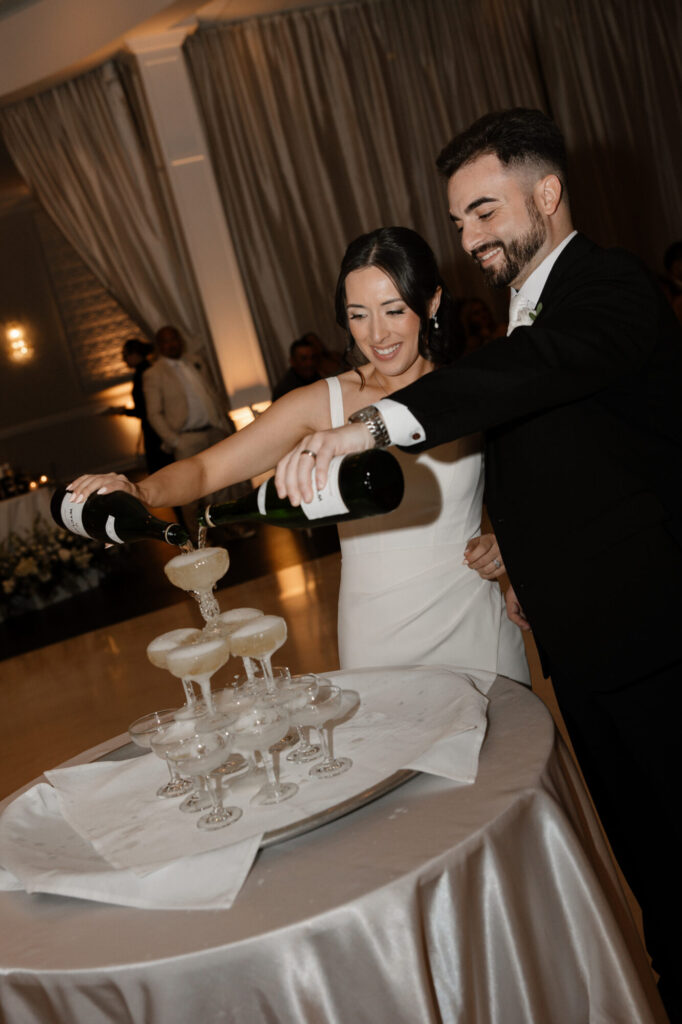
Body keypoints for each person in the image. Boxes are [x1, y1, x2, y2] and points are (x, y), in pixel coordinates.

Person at [275, 109, 682, 1021]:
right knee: (654, 878)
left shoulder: (609, 285)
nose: (467, 239)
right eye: (458, 221)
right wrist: (514, 545)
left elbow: (531, 373)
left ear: (547, 194)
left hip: (660, 644)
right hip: (590, 653)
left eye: (484, 212)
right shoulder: (523, 315)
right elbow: (573, 459)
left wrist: (370, 422)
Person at [67, 227, 529, 690]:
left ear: (431, 303)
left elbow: (534, 489)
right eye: (358, 315)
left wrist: (508, 544)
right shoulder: (320, 403)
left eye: (393, 310)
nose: (378, 334)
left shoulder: (470, 388)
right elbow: (206, 468)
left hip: (476, 623)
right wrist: (140, 490)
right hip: (377, 632)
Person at [143, 324, 251, 539]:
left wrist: (224, 424)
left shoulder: (195, 361)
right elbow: (154, 413)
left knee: (222, 485)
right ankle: (196, 538)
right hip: (186, 438)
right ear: (159, 345)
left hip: (213, 431)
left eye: (175, 338)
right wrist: (174, 441)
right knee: (189, 491)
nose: (172, 344)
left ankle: (231, 526)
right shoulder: (154, 373)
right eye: (166, 340)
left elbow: (213, 393)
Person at [106, 337, 172, 474]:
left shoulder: (145, 374)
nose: (124, 360)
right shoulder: (143, 372)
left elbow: (146, 410)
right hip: (154, 428)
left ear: (136, 354)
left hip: (155, 430)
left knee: (162, 469)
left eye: (126, 355)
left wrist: (123, 411)